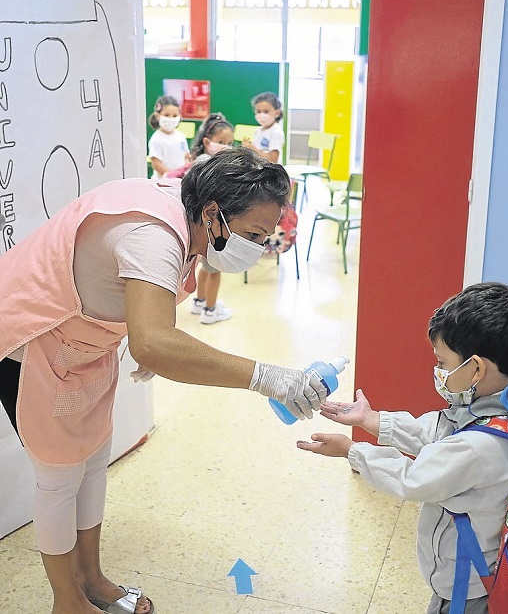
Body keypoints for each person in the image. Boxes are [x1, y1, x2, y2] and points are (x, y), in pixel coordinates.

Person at [0, 147, 328, 614]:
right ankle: (66, 602)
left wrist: (144, 331)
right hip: (33, 341)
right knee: (59, 477)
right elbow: (155, 341)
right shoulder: (152, 233)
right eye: (254, 234)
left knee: (93, 460)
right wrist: (265, 377)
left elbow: (144, 308)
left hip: (85, 344)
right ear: (214, 213)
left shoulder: (191, 207)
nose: (258, 248)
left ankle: (91, 579)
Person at [297, 282, 508, 614]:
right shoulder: (498, 409)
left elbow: (414, 478)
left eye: (444, 363)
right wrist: (372, 420)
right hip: (472, 573)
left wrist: (352, 451)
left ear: (475, 369)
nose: (439, 372)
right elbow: (435, 432)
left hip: (468, 587)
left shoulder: (478, 448)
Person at [188, 113, 235, 324]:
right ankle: (210, 309)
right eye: (221, 142)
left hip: (199, 227)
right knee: (215, 270)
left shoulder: (199, 161)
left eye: (230, 143)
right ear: (207, 142)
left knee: (205, 267)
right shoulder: (212, 166)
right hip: (213, 228)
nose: (226, 147)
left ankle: (199, 301)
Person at [147, 95, 190, 178]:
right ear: (157, 116)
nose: (171, 118)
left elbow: (186, 155)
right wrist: (170, 176)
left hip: (180, 180)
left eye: (174, 116)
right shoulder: (156, 139)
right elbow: (156, 163)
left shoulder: (181, 136)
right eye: (166, 115)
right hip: (162, 182)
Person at [242, 91, 285, 164]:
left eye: (266, 111)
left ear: (277, 113)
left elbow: (273, 159)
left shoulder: (276, 132)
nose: (261, 115)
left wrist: (251, 148)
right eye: (258, 111)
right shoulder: (258, 130)